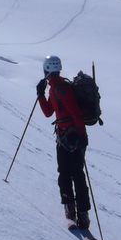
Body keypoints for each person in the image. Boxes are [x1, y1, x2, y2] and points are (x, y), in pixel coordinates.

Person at [36, 55, 91, 230]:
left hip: (72, 137)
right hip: (65, 137)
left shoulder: (62, 89)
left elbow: (75, 113)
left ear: (47, 70)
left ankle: (78, 214)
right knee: (70, 173)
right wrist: (41, 94)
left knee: (73, 174)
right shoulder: (54, 88)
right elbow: (48, 112)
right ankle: (75, 212)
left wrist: (80, 138)